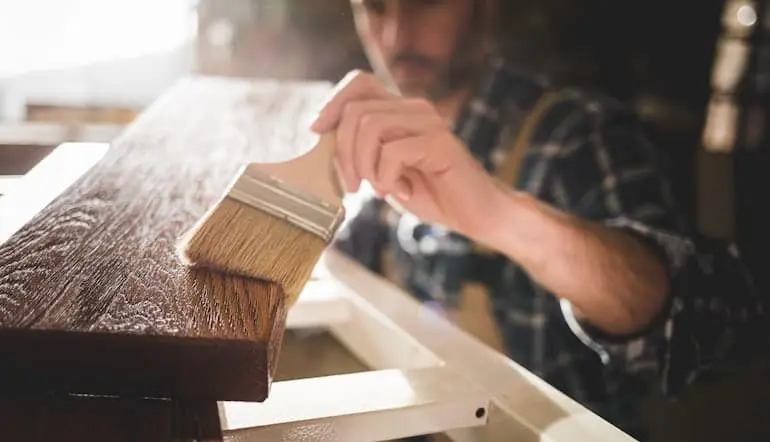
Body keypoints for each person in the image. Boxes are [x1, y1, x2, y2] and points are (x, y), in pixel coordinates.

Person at [309, 0, 768, 438]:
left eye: (428, 1)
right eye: (375, 6)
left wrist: (501, 215)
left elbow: (722, 326)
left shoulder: (575, 136)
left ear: (483, 8)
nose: (396, 34)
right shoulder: (376, 142)